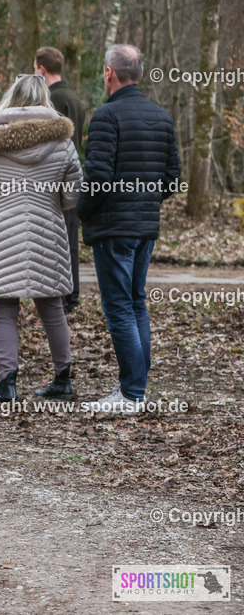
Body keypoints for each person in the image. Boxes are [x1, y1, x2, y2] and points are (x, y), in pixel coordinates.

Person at [0, 75, 82, 401]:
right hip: (47, 230)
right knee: (52, 306)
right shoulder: (62, 141)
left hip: (0, 233)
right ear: (44, 98)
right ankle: (63, 379)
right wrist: (54, 203)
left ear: (12, 97)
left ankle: (7, 385)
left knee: (3, 308)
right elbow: (73, 192)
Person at [80, 45, 180, 413]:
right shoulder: (162, 117)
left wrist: (81, 213)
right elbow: (172, 178)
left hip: (114, 227)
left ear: (109, 72)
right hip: (144, 226)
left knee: (120, 306)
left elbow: (98, 177)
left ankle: (132, 393)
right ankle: (135, 387)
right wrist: (145, 200)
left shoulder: (106, 116)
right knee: (136, 302)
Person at [34, 47, 86, 315]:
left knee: (54, 238)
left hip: (54, 179)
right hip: (73, 178)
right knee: (69, 237)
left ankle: (60, 295)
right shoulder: (74, 99)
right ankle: (71, 293)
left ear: (41, 69)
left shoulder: (50, 100)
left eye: (35, 68)